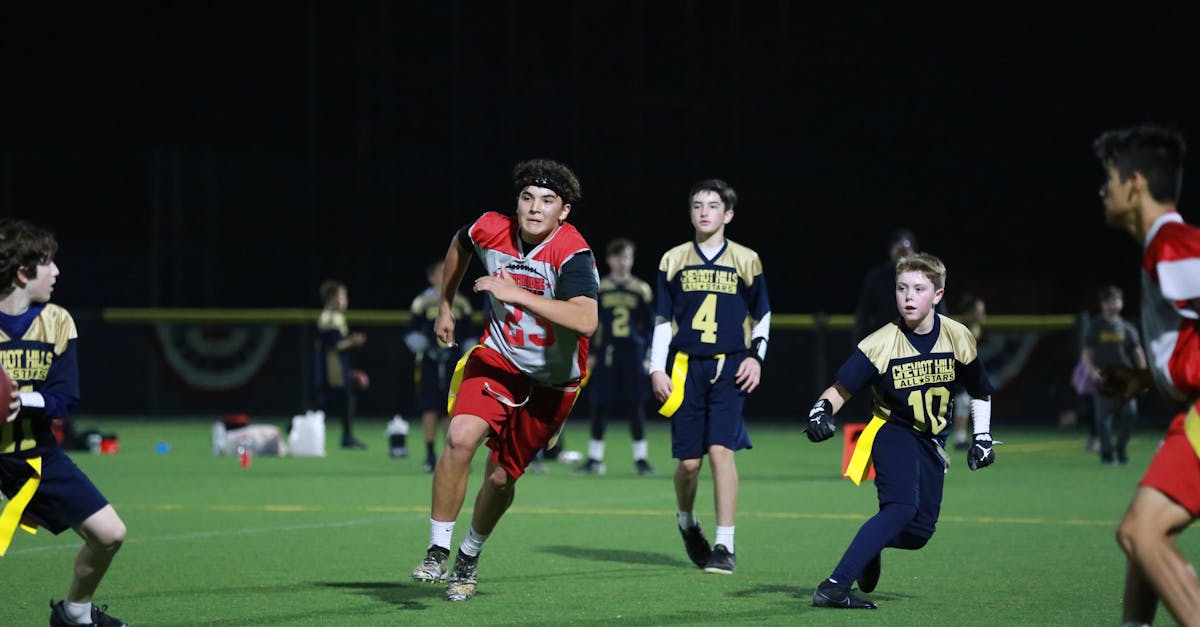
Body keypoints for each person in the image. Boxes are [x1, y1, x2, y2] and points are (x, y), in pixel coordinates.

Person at [409, 158, 598, 602]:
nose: (535, 208)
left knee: (499, 480)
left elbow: (586, 320)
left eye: (547, 201)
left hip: (553, 383)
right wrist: (445, 305)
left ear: (563, 212)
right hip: (499, 359)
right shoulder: (491, 228)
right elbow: (460, 244)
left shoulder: (573, 252)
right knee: (459, 437)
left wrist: (517, 293)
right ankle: (438, 548)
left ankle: (469, 556)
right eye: (527, 198)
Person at [806, 253, 996, 610]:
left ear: (938, 295)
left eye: (919, 289)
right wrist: (821, 411)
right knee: (901, 508)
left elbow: (979, 388)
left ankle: (870, 547)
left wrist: (981, 437)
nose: (909, 297)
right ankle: (833, 586)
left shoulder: (958, 336)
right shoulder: (881, 343)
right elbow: (841, 388)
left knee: (919, 533)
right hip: (892, 430)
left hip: (931, 441)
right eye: (902, 288)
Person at [1093, 125, 1200, 625]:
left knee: (1141, 532)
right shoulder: (1165, 246)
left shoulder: (1172, 243)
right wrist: (1143, 381)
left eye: (1108, 179)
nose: (1102, 190)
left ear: (1134, 183)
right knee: (1141, 535)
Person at [0, 218, 129, 626]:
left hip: (36, 455)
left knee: (109, 534)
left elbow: (65, 397)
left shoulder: (57, 321)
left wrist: (24, 400)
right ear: (23, 272)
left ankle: (75, 614)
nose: (56, 271)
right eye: (48, 262)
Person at [648, 178, 770, 575]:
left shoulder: (747, 259)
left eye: (713, 205)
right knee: (688, 465)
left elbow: (762, 314)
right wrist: (656, 367)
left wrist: (756, 357)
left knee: (721, 451)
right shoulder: (673, 259)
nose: (704, 211)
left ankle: (725, 545)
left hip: (730, 364)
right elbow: (664, 318)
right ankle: (687, 522)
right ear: (690, 213)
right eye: (697, 205)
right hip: (686, 367)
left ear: (728, 214)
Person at [575, 237, 656, 476]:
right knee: (599, 404)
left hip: (633, 352)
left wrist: (649, 354)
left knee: (636, 405)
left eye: (628, 257)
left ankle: (641, 459)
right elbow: (591, 323)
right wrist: (590, 353)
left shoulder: (641, 289)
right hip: (606, 354)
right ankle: (595, 459)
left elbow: (649, 325)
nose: (624, 262)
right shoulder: (600, 288)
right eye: (619, 257)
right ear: (609, 259)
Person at [403, 260, 474, 472]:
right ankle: (430, 453)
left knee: (451, 407)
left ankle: (451, 452)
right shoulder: (422, 302)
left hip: (453, 361)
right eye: (441, 272)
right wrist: (425, 347)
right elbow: (410, 331)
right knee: (430, 405)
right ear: (431, 277)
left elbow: (469, 332)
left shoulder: (461, 302)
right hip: (429, 361)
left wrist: (467, 354)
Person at [1080, 285, 1148, 466]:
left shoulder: (1127, 328)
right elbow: (1087, 352)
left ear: (1122, 303)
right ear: (1102, 304)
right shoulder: (1095, 326)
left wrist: (1141, 374)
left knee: (1130, 414)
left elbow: (1138, 352)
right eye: (1109, 301)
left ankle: (1121, 447)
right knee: (1103, 420)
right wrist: (1092, 371)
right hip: (1104, 378)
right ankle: (1107, 454)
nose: (1113, 304)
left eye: (1116, 300)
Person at [313, 279, 368, 449]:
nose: (345, 300)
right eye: (342, 296)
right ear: (331, 298)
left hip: (337, 364)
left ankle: (347, 435)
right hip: (332, 366)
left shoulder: (336, 316)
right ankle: (346, 436)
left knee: (335, 401)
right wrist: (353, 341)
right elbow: (334, 345)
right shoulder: (329, 318)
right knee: (335, 400)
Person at [950, 291, 986, 450]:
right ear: (970, 312)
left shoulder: (975, 327)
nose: (982, 314)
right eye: (979, 311)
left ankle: (960, 439)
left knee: (963, 402)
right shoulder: (960, 327)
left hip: (962, 370)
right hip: (950, 369)